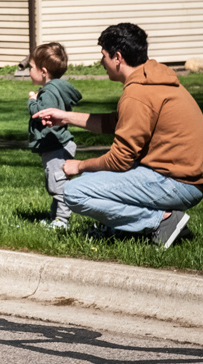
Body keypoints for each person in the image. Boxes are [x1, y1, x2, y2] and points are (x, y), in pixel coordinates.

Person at [35, 23, 203, 249]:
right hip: (184, 180)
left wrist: (80, 166)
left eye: (103, 55)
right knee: (97, 182)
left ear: (117, 57)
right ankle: (128, 226)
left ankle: (162, 222)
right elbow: (116, 123)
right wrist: (65, 117)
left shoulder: (137, 94)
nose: (101, 62)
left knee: (74, 192)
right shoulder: (152, 79)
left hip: (177, 183)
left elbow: (119, 160)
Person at [26, 42, 81, 230]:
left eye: (31, 67)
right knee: (56, 181)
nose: (29, 71)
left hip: (55, 146)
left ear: (43, 71)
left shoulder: (48, 92)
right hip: (58, 144)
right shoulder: (56, 87)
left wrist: (32, 102)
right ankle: (54, 218)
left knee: (58, 185)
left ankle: (62, 221)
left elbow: (42, 114)